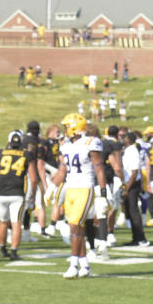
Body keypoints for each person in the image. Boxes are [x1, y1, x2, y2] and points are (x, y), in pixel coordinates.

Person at [53, 113, 106, 279]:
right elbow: (63, 170)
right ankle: (85, 265)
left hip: (85, 187)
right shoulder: (67, 146)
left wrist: (103, 192)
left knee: (75, 226)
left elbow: (99, 168)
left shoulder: (91, 142)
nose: (65, 129)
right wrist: (52, 189)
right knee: (78, 228)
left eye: (68, 126)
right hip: (71, 188)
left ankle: (73, 264)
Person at [0, 129, 35, 260]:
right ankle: (13, 252)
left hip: (2, 193)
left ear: (9, 141)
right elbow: (33, 179)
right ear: (21, 141)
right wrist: (33, 194)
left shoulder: (0, 153)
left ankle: (2, 249)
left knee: (3, 222)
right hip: (17, 193)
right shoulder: (26, 154)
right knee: (16, 223)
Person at [120, 131, 149, 246]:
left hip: (132, 184)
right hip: (129, 183)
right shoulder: (128, 150)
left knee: (133, 211)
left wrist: (127, 189)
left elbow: (134, 171)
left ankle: (141, 238)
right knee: (130, 211)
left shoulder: (132, 151)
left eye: (125, 137)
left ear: (130, 139)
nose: (123, 138)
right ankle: (135, 237)